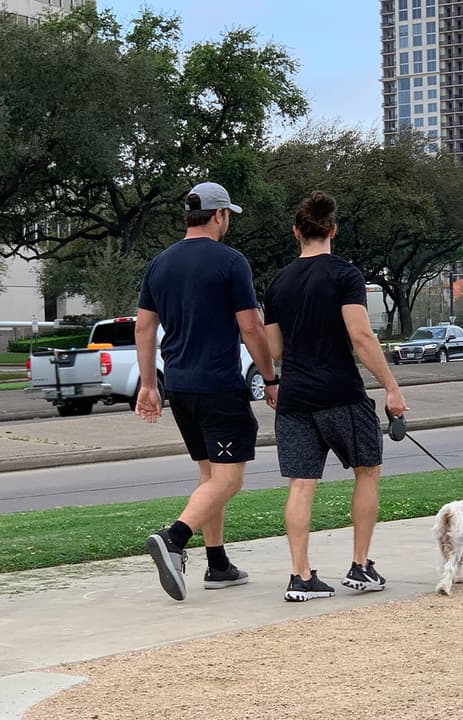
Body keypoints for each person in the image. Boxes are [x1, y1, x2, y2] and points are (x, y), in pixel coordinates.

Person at [136, 181, 280, 602]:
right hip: (218, 384)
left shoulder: (159, 264)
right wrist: (270, 378)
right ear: (219, 215)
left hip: (178, 386)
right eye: (228, 215)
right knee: (230, 479)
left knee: (209, 476)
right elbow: (251, 325)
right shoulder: (230, 261)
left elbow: (144, 327)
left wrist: (149, 385)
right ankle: (174, 538)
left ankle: (217, 563)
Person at [263, 190, 408, 602]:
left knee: (301, 484)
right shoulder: (345, 275)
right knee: (367, 470)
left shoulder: (278, 283)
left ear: (297, 232)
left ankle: (300, 575)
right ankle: (361, 566)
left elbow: (275, 350)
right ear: (333, 230)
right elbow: (360, 335)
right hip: (340, 393)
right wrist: (391, 387)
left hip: (294, 397)